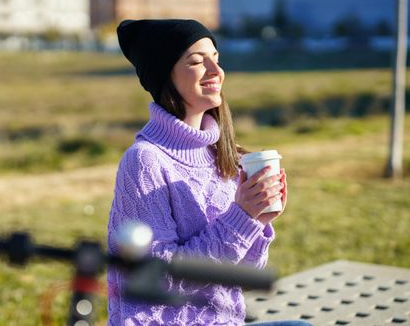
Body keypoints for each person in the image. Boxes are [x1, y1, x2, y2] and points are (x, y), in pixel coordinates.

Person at [107, 19, 308, 326]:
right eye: (197, 61)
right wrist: (241, 217)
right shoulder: (144, 162)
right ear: (165, 75)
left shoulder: (222, 153)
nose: (216, 71)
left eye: (216, 59)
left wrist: (257, 220)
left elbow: (241, 274)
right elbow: (157, 279)